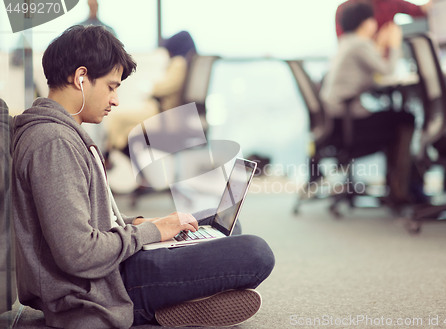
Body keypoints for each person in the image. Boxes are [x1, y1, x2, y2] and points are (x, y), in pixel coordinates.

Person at [10, 25, 275, 328]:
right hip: (101, 290)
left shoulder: (61, 133)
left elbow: (87, 221)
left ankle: (181, 296)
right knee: (256, 252)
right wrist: (150, 234)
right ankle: (156, 305)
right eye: (111, 87)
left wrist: (138, 224)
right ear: (81, 77)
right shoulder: (53, 143)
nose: (115, 100)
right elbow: (79, 254)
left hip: (109, 270)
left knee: (224, 227)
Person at [319, 2, 415, 204]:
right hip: (347, 122)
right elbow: (387, 70)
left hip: (335, 120)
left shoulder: (348, 42)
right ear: (365, 23)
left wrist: (378, 45)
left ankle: (396, 187)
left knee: (395, 117)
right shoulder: (359, 45)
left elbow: (371, 75)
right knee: (404, 118)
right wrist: (394, 43)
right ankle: (399, 190)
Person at [152, 30, 198, 113]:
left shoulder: (179, 62)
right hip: (175, 112)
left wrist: (151, 87)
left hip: (166, 112)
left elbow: (164, 88)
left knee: (121, 118)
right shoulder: (190, 62)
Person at [335, 0, 432, 37]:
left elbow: (421, 11)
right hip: (360, 66)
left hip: (385, 65)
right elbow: (344, 43)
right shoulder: (344, 9)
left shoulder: (390, 2)